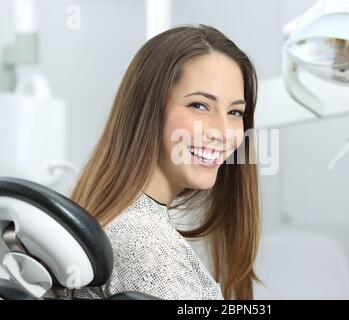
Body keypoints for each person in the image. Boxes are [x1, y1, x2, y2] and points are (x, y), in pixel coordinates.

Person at [71, 24, 262, 300]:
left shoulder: (121, 220)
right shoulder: (146, 244)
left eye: (235, 111)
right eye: (199, 105)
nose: (223, 132)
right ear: (148, 110)